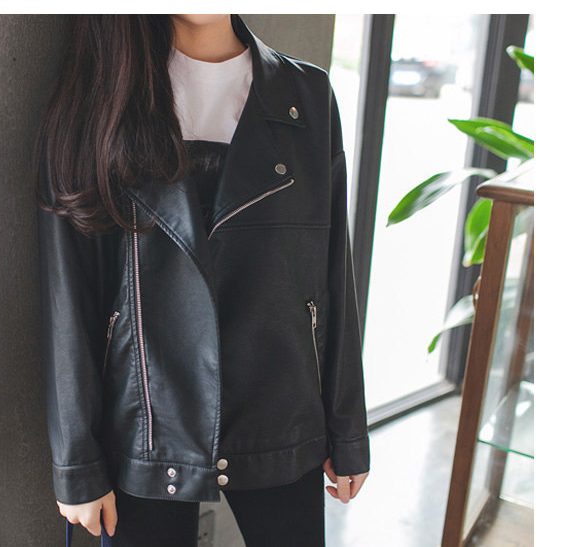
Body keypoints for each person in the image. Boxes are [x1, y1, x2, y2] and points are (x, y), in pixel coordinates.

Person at [35, 14, 370, 547]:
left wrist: (348, 429)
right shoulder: (98, 97)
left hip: (281, 409)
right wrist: (77, 463)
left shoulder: (306, 94)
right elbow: (68, 297)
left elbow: (332, 274)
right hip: (143, 423)